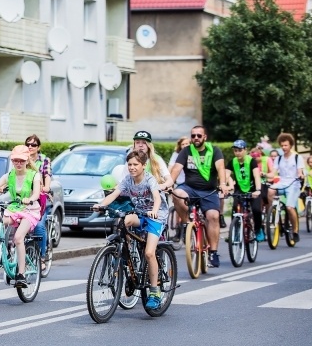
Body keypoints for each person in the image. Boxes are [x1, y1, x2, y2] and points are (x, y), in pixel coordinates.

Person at [94, 149, 168, 309]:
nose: (132, 167)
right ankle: (122, 252)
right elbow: (114, 194)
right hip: (140, 213)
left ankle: (155, 292)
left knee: (149, 253)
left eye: (136, 164)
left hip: (156, 216)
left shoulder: (150, 180)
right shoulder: (128, 180)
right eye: (129, 164)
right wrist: (101, 205)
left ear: (144, 165)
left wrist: (155, 211)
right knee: (123, 221)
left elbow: (156, 198)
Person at [0, 145, 41, 288]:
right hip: (14, 208)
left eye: (21, 161)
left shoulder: (34, 175)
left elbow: (36, 193)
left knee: (18, 238)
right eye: (15, 160)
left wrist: (30, 199)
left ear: (27, 161)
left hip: (30, 210)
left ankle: (21, 275)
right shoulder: (9, 175)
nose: (18, 163)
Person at [170, 125, 229, 268]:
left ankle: (213, 252)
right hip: (190, 188)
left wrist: (222, 183)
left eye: (199, 135)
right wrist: (169, 184)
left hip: (209, 191)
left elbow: (220, 167)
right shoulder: (186, 151)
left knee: (213, 216)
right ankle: (185, 224)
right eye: (193, 135)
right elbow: (176, 169)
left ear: (205, 137)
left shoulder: (214, 150)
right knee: (176, 194)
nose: (196, 138)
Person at [268, 132, 305, 243]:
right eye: (282, 145)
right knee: (270, 190)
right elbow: (272, 173)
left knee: (289, 207)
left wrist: (300, 175)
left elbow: (299, 171)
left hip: (293, 184)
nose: (284, 147)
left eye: (286, 145)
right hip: (282, 183)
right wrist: (264, 174)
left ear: (290, 145)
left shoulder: (297, 157)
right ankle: (272, 212)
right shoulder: (279, 159)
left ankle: (295, 230)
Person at [225, 140, 264, 242]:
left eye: (240, 150)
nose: (237, 153)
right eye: (235, 150)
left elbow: (256, 176)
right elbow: (226, 175)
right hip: (239, 189)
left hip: (253, 189)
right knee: (235, 209)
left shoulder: (252, 161)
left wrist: (258, 190)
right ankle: (235, 233)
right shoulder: (232, 162)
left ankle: (258, 229)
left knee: (256, 210)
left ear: (245, 150)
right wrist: (224, 186)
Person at [25, 134, 53, 274]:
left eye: (33, 145)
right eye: (28, 144)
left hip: (39, 199)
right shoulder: (22, 158)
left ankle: (42, 257)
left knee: (39, 226)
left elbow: (47, 175)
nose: (30, 147)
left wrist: (46, 187)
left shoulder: (44, 160)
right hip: (24, 198)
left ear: (38, 147)